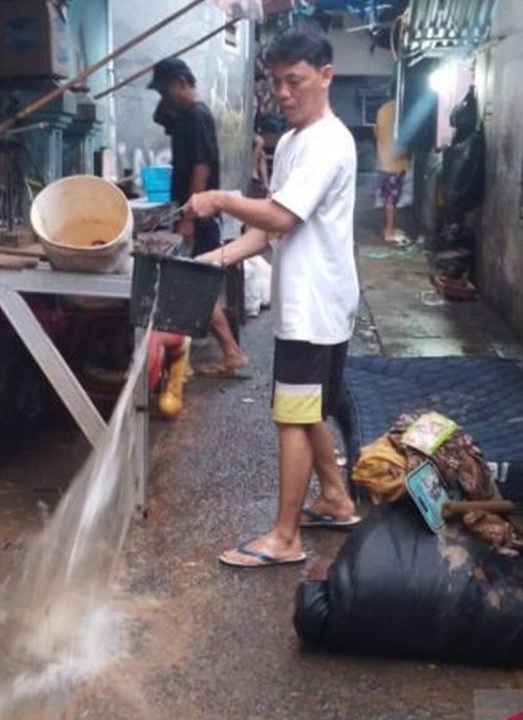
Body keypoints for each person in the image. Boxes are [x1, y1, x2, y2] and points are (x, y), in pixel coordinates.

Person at [183, 29, 360, 568]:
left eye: (295, 81)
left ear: (326, 76)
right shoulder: (290, 143)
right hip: (308, 302)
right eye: (275, 82)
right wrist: (209, 263)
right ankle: (334, 497)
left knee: (292, 414)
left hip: (316, 305)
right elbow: (268, 233)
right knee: (305, 409)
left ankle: (285, 537)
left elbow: (280, 216)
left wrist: (221, 197)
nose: (283, 93)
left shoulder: (329, 142)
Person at [149, 57, 249, 377]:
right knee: (191, 281)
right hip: (194, 210)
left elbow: (201, 166)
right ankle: (193, 358)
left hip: (200, 214)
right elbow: (160, 118)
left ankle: (231, 353)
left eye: (165, 91)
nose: (163, 98)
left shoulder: (197, 115)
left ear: (181, 82)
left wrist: (190, 215)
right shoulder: (184, 117)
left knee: (194, 282)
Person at [374, 81, 409, 243]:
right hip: (396, 163)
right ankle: (388, 232)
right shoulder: (403, 110)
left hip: (384, 161)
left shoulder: (383, 110)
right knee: (391, 199)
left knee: (388, 197)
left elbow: (377, 133)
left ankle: (388, 228)